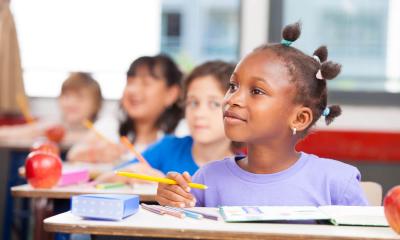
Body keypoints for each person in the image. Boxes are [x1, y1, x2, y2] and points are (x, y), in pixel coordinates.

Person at [155, 22, 368, 208]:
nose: (232, 99)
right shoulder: (206, 179)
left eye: (257, 91)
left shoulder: (338, 184)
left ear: (299, 118)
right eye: (233, 86)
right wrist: (172, 202)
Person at [96, 61, 241, 182]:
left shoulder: (246, 163)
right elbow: (104, 179)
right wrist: (134, 172)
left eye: (214, 104)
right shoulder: (168, 147)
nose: (199, 114)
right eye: (193, 103)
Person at [67, 54, 184, 163]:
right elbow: (72, 155)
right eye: (130, 82)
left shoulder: (182, 132)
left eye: (146, 83)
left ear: (171, 94)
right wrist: (95, 154)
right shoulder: (112, 125)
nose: (133, 90)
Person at [0, 72, 102, 144]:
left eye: (80, 98)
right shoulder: (53, 125)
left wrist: (60, 137)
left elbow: (97, 139)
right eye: (66, 96)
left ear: (96, 104)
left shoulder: (102, 127)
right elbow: (18, 132)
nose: (70, 103)